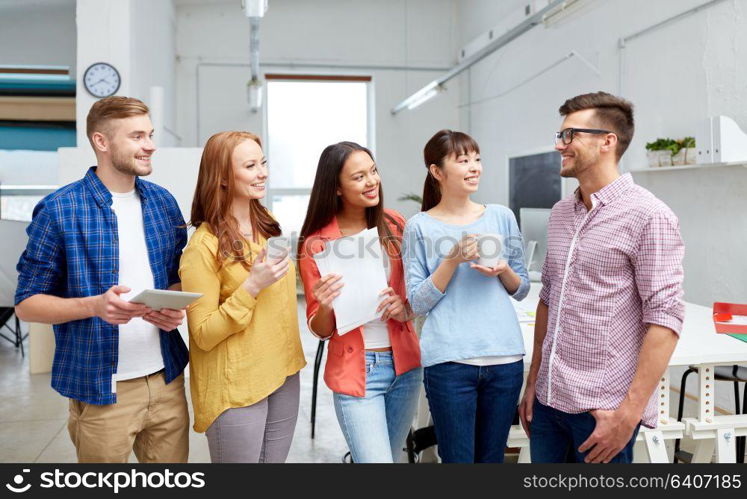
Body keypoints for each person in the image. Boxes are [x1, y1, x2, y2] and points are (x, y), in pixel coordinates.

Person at [15, 96, 190, 463]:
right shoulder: (60, 209)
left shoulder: (163, 203)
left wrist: (174, 308)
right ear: (102, 142)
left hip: (167, 379)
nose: (150, 145)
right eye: (137, 136)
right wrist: (95, 305)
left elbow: (175, 280)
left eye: (151, 134)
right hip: (101, 391)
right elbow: (27, 304)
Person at [518, 91, 685, 464]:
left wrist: (629, 414)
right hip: (547, 402)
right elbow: (549, 299)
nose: (559, 144)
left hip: (603, 412)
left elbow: (666, 319)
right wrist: (534, 382)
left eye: (569, 135)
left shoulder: (649, 216)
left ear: (607, 141)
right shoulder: (561, 214)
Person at [403, 129, 530, 463]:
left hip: (505, 360)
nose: (475, 167)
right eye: (463, 161)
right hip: (449, 362)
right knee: (458, 460)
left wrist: (503, 269)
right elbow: (417, 302)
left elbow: (521, 289)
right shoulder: (419, 226)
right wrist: (451, 261)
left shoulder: (501, 216)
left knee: (491, 460)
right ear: (437, 171)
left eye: (477, 159)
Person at [179, 131, 305, 463]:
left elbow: (278, 303)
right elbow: (203, 334)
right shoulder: (202, 247)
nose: (262, 172)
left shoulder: (269, 226)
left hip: (283, 372)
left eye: (262, 163)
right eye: (250, 166)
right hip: (235, 386)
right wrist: (250, 287)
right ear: (221, 177)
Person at [297, 141, 421, 463]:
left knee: (390, 459)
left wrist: (405, 306)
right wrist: (324, 304)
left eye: (373, 171)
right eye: (359, 177)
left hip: (405, 367)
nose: (372, 181)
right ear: (337, 188)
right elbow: (320, 329)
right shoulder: (317, 244)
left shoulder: (395, 225)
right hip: (359, 369)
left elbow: (417, 291)